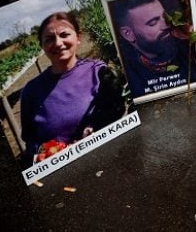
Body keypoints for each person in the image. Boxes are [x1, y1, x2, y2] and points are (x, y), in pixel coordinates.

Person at [19, 12, 125, 166]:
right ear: (42, 46)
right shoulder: (31, 90)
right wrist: (39, 158)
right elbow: (30, 140)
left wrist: (95, 127)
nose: (58, 43)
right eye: (49, 39)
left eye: (64, 34)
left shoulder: (100, 73)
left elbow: (114, 113)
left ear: (78, 37)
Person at [114, 0, 195, 98]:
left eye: (164, 16)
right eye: (153, 23)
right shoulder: (130, 78)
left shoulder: (189, 44)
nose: (166, 25)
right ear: (128, 34)